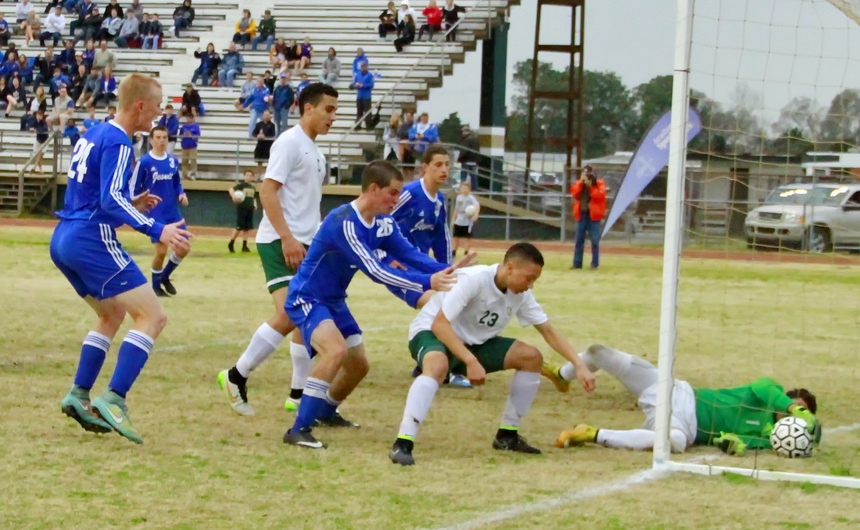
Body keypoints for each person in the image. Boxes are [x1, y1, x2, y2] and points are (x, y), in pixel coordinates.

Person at [283, 160, 473, 449]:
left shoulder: (384, 222)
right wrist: (426, 282)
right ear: (373, 189)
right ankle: (298, 429)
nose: (397, 200)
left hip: (334, 300)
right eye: (393, 193)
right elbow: (375, 270)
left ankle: (325, 411)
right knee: (335, 352)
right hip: (307, 297)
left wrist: (447, 270)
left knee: (359, 366)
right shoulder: (343, 222)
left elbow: (409, 253)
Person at [49, 73, 191, 444]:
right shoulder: (120, 142)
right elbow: (110, 202)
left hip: (64, 237)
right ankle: (114, 398)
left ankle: (79, 395)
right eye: (157, 107)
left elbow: (96, 196)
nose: (159, 115)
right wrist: (156, 229)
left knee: (110, 314)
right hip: (91, 239)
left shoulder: (93, 133)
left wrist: (133, 204)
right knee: (153, 316)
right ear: (140, 106)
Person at [388, 242, 597, 465]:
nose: (531, 285)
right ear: (509, 268)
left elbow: (548, 331)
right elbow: (440, 325)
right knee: (437, 366)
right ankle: (403, 442)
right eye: (529, 278)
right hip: (432, 332)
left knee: (531, 357)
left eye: (535, 280)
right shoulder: (474, 279)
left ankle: (507, 435)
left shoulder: (520, 295)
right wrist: (470, 360)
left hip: (474, 343)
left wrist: (579, 365)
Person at [217, 83, 339, 417]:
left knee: (304, 319)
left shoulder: (316, 152)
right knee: (290, 313)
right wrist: (287, 237)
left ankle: (298, 394)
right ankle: (235, 375)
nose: (333, 117)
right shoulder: (289, 142)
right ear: (308, 108)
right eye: (328, 109)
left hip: (307, 242)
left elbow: (307, 204)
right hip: (280, 240)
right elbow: (268, 192)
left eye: (335, 111)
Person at [550, 345, 819, 455]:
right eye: (795, 410)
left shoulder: (771, 438)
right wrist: (791, 407)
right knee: (600, 352)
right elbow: (763, 388)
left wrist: (729, 444)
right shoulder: (770, 391)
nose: (792, 418)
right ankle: (562, 374)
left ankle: (591, 434)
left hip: (685, 425)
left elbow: (739, 443)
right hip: (676, 390)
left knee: (674, 442)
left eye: (800, 413)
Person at [391, 145, 472, 388]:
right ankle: (446, 367)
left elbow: (441, 239)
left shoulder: (438, 201)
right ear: (424, 168)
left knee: (456, 301)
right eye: (438, 164)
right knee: (444, 308)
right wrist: (385, 257)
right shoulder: (409, 194)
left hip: (422, 271)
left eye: (447, 164)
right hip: (401, 271)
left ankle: (429, 361)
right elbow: (379, 217)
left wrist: (450, 270)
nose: (444, 169)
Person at [134, 126, 190, 298]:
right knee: (161, 251)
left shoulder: (173, 161)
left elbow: (176, 183)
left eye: (164, 137)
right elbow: (135, 188)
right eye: (157, 137)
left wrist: (181, 193)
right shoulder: (144, 162)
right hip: (155, 213)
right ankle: (155, 286)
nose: (161, 141)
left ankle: (164, 277)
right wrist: (139, 203)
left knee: (183, 247)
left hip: (172, 211)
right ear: (151, 140)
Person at [571, 165, 607, 270]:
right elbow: (574, 193)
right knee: (579, 240)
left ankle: (594, 264)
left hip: (594, 216)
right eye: (585, 173)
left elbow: (600, 195)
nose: (587, 176)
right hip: (582, 214)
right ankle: (577, 263)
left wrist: (590, 187)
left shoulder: (600, 184)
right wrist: (582, 183)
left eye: (589, 174)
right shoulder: (579, 183)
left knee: (595, 241)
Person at [228, 170, 257, 253]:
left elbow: (253, 197)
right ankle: (231, 243)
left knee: (247, 228)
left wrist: (255, 204)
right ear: (244, 176)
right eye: (247, 175)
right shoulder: (241, 186)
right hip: (242, 208)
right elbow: (231, 189)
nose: (248, 177)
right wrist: (234, 196)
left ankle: (244, 246)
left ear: (252, 177)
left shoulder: (252, 187)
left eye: (250, 176)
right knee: (239, 227)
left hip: (249, 208)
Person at [451, 180, 479, 257]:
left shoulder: (471, 198)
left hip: (467, 220)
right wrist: (453, 219)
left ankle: (466, 252)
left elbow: (477, 205)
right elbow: (456, 209)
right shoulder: (459, 197)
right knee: (455, 237)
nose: (464, 190)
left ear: (469, 189)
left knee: (467, 238)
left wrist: (475, 215)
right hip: (459, 220)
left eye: (465, 188)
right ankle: (453, 251)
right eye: (462, 188)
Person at [252, 109, 276, 174]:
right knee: (259, 162)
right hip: (260, 145)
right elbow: (254, 133)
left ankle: (268, 177)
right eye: (265, 115)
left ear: (270, 116)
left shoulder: (272, 125)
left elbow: (273, 134)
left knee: (270, 162)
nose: (266, 116)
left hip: (268, 146)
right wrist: (258, 136)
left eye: (267, 115)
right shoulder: (259, 124)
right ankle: (258, 176)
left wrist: (265, 136)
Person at [179, 112, 200, 180]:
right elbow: (180, 135)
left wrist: (191, 135)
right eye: (187, 118)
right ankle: (185, 174)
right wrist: (183, 135)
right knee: (184, 161)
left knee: (193, 160)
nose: (189, 119)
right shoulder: (184, 127)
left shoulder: (196, 127)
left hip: (193, 146)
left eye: (190, 118)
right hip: (185, 146)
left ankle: (193, 174)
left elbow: (198, 136)